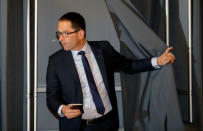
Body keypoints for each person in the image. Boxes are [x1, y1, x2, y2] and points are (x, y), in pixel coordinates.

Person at [46, 12, 175, 131]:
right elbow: (52, 96)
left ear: (80, 34)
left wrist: (157, 61)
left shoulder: (103, 49)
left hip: (108, 124)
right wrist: (61, 109)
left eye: (65, 34)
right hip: (76, 127)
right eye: (59, 34)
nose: (60, 39)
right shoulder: (56, 61)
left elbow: (128, 65)